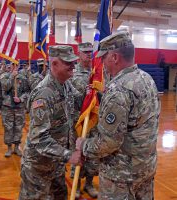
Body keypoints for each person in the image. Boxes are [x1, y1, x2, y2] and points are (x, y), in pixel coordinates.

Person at [75, 31, 160, 200]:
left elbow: (109, 142)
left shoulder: (118, 90)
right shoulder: (147, 79)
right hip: (145, 169)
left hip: (121, 176)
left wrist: (83, 145)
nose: (101, 63)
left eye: (104, 57)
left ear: (114, 57)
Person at [19, 45, 83, 199]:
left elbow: (79, 101)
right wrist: (69, 155)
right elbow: (39, 138)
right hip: (38, 167)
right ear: (54, 64)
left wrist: (94, 92)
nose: (73, 66)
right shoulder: (44, 94)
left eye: (74, 62)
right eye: (68, 63)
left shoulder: (65, 84)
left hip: (55, 163)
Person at [70, 42, 99, 198]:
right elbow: (70, 97)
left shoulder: (98, 73)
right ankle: (76, 186)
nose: (89, 54)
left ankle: (89, 183)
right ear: (78, 54)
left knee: (93, 155)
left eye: (90, 52)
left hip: (95, 122)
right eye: (85, 52)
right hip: (80, 122)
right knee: (79, 153)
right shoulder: (73, 74)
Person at [0, 62, 30, 157]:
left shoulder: (23, 78)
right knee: (8, 128)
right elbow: (5, 87)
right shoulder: (4, 76)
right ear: (10, 66)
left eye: (16, 65)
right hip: (7, 107)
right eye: (13, 65)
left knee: (18, 127)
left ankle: (16, 147)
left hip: (19, 107)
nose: (14, 67)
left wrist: (21, 99)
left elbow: (27, 92)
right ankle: (9, 148)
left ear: (19, 66)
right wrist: (12, 77)